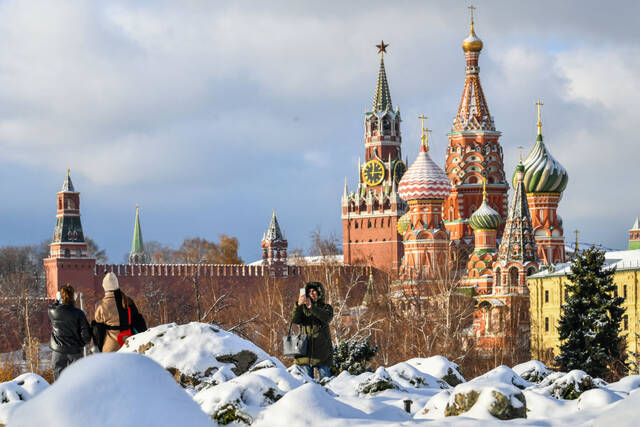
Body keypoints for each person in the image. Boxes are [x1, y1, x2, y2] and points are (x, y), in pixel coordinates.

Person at [94, 272, 147, 352]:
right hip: (129, 344)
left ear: (105, 287)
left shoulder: (101, 306)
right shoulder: (128, 301)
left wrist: (99, 346)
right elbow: (139, 322)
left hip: (110, 347)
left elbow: (98, 331)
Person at [291, 281, 333, 380]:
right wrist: (298, 305)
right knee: (307, 386)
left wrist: (311, 307)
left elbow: (326, 318)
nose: (311, 293)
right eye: (309, 291)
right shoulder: (302, 308)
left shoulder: (326, 307)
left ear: (319, 293)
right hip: (305, 351)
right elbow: (295, 320)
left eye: (314, 291)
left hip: (322, 352)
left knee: (326, 384)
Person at [48, 284, 92, 380]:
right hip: (75, 350)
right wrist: (82, 344)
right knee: (76, 381)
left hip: (58, 350)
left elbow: (55, 305)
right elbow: (86, 334)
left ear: (59, 296)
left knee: (58, 382)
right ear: (74, 297)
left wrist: (58, 300)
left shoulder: (52, 311)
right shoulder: (79, 313)